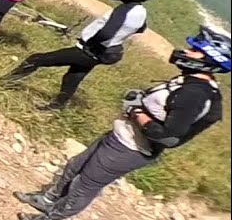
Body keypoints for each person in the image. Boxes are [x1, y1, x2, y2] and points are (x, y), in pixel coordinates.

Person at [12, 25, 228, 220]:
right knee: (75, 167)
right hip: (122, 134)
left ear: (210, 60)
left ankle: (53, 217)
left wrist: (135, 111)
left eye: (195, 51)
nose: (186, 52)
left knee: (85, 184)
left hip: (133, 148)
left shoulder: (195, 94)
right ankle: (48, 200)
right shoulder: (189, 81)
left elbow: (167, 135)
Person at [0, 0, 155, 111]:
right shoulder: (141, 12)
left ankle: (4, 82)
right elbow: (140, 29)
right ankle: (58, 105)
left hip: (89, 51)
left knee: (37, 59)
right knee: (73, 77)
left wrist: (90, 44)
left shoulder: (124, 10)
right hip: (105, 53)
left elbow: (107, 32)